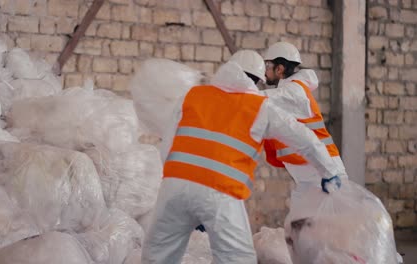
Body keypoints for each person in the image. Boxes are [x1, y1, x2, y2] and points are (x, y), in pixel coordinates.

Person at [141, 50, 344, 264]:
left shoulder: (193, 95)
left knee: (157, 255)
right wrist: (329, 171)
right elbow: (305, 139)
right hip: (219, 193)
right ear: (256, 80)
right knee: (236, 258)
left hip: (174, 187)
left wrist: (185, 194)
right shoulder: (260, 107)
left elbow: (168, 145)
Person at [260, 41, 347, 191]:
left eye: (267, 66)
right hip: (313, 168)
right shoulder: (290, 89)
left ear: (279, 69)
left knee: (334, 214)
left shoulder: (294, 92)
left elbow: (259, 100)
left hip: (325, 169)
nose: (264, 71)